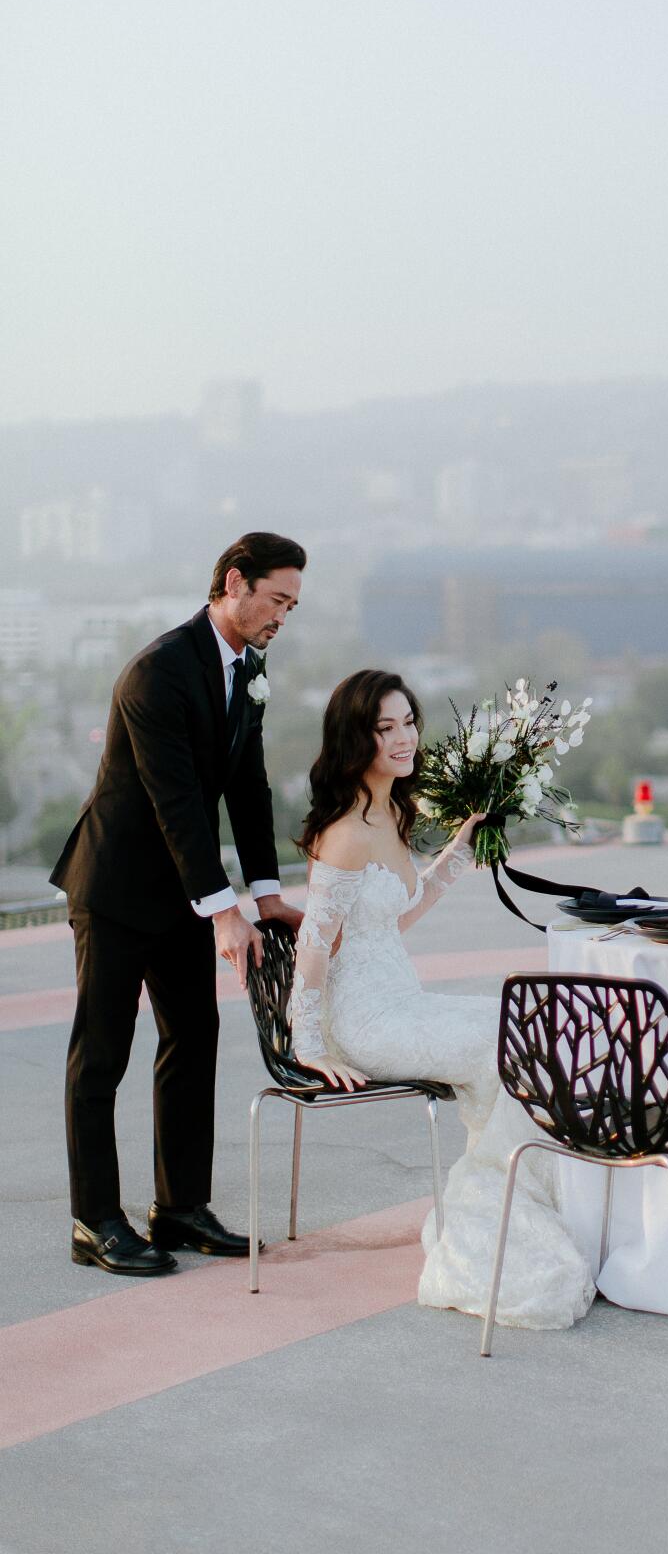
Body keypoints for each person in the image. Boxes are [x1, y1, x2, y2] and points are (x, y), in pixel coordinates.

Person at [288, 669, 594, 1330]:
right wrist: (308, 1043)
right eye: (384, 727)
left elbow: (389, 921)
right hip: (366, 1019)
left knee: (517, 1026)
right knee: (497, 1047)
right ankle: (491, 1217)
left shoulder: (390, 812)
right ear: (355, 739)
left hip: (404, 999)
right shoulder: (345, 830)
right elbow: (315, 944)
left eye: (408, 722)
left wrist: (459, 850)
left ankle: (520, 1194)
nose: (404, 738)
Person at [51, 532, 307, 1275]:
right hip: (116, 888)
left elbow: (247, 786)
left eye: (293, 606)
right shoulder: (156, 672)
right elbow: (176, 805)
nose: (282, 618)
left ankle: (180, 1209)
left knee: (193, 1039)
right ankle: (94, 1220)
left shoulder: (248, 668)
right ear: (235, 582)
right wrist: (222, 908)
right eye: (277, 600)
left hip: (181, 895)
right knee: (100, 1056)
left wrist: (264, 895)